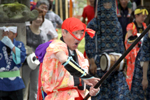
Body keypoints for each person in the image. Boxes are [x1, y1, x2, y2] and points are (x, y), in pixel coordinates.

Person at [35, 17, 100, 100]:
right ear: (63, 32)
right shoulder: (56, 46)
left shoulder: (80, 56)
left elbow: (83, 81)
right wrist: (85, 76)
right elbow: (64, 60)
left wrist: (90, 89)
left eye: (81, 33)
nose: (79, 37)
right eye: (75, 33)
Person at [85, 0, 131, 99]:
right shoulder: (93, 24)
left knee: (121, 94)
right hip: (99, 64)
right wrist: (91, 60)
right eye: (105, 3)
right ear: (100, 5)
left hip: (116, 63)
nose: (107, 5)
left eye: (109, 3)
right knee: (101, 93)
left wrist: (123, 61)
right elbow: (89, 42)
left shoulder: (116, 23)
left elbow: (120, 43)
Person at [21, 9, 50, 100]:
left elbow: (46, 49)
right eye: (36, 17)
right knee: (24, 85)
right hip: (26, 63)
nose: (38, 19)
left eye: (40, 17)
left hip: (38, 64)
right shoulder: (25, 30)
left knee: (35, 86)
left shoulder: (43, 34)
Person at [125, 6, 148, 90]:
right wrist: (140, 38)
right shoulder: (131, 26)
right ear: (136, 16)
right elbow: (130, 39)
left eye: (145, 16)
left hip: (143, 53)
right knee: (132, 74)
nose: (144, 18)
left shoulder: (145, 26)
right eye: (142, 16)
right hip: (133, 55)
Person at [0, 26, 26, 100]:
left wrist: (12, 46)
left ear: (15, 35)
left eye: (8, 33)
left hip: (16, 84)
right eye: (4, 33)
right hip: (1, 83)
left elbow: (21, 59)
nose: (5, 36)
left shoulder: (20, 45)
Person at [130, 31, 150, 99]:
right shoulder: (148, 36)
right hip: (144, 67)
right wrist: (144, 78)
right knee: (141, 92)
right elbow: (145, 58)